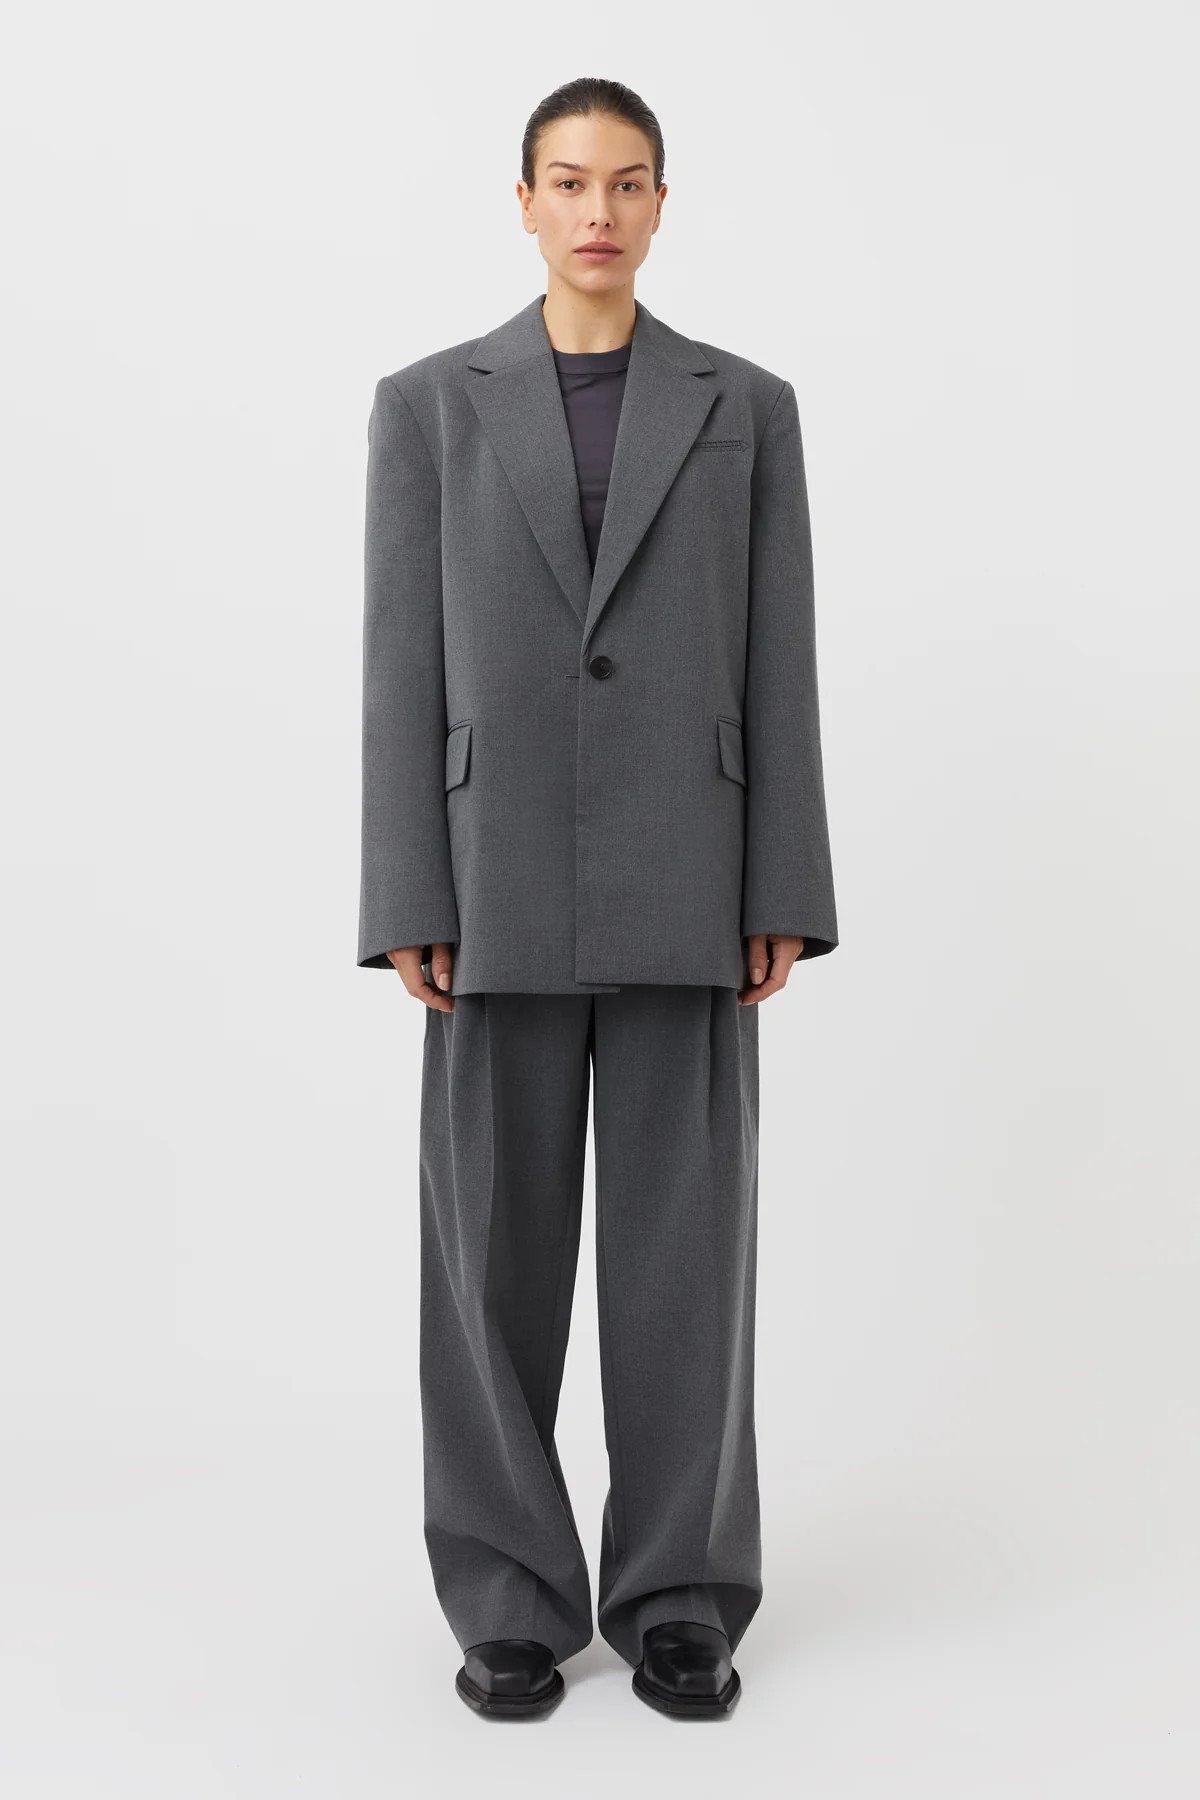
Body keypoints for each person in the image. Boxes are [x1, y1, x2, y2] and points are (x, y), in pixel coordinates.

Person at [357, 76, 838, 1719]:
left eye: (628, 183)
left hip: (689, 870)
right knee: (488, 1258)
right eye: (568, 182)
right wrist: (404, 888)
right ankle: (507, 1594)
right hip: (488, 880)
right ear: (523, 202)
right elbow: (398, 665)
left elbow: (781, 652)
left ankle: (680, 1594)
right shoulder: (427, 406)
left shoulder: (746, 405)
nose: (598, 212)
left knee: (684, 1256)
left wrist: (783, 881)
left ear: (660, 204)